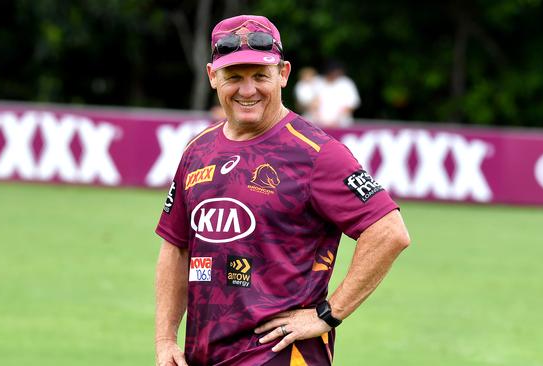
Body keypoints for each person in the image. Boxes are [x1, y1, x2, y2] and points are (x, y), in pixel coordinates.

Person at [154, 14, 410, 366]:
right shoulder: (197, 151)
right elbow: (176, 248)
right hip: (203, 354)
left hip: (278, 356)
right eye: (234, 77)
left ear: (283, 74)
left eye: (260, 76)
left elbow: (389, 232)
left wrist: (327, 314)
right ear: (213, 76)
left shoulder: (317, 153)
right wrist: (166, 339)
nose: (247, 90)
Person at [311, 60, 361, 128]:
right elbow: (310, 103)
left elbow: (352, 104)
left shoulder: (346, 83)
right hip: (317, 124)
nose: (335, 74)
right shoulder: (317, 82)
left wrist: (337, 120)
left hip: (341, 125)